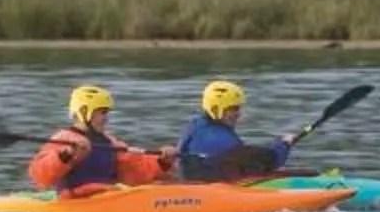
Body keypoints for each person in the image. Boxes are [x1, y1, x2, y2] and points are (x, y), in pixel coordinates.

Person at [27, 84, 168, 193]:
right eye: (102, 113)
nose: (106, 118)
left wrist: (162, 161)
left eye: (106, 113)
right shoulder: (64, 139)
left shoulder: (109, 141)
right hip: (75, 198)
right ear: (84, 112)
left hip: (106, 195)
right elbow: (40, 176)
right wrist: (66, 155)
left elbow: (135, 169)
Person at [171, 80, 294, 183]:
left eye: (239, 108)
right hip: (210, 191)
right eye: (233, 109)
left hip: (194, 181)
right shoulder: (221, 140)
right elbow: (269, 161)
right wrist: (284, 145)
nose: (238, 114)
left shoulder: (195, 126)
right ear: (216, 109)